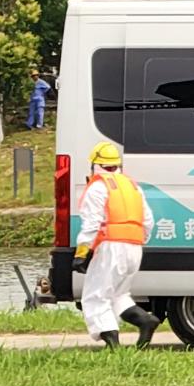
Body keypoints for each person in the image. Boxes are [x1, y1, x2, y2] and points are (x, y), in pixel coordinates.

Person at [73, 141, 159, 349]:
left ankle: (113, 346)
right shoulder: (133, 187)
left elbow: (92, 224)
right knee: (118, 294)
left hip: (111, 248)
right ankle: (145, 321)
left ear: (95, 165)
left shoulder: (97, 188)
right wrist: (136, 241)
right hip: (134, 248)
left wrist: (82, 253)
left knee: (96, 296)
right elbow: (148, 221)